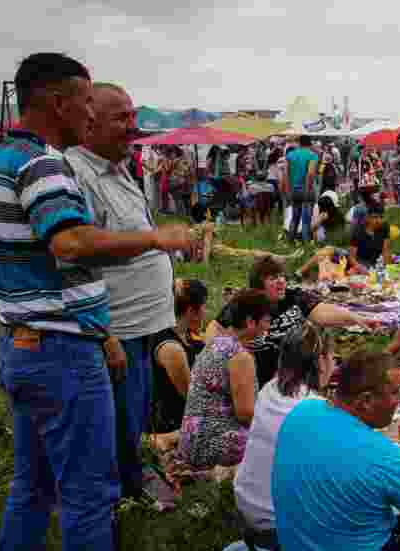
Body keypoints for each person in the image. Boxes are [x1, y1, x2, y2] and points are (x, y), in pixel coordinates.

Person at [0, 52, 189, 551]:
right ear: (59, 103)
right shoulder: (45, 165)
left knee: (33, 484)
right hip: (62, 353)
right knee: (89, 492)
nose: (90, 115)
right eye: (87, 102)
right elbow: (70, 241)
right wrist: (155, 237)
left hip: (23, 344)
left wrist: (8, 304)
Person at [67, 82, 182, 500]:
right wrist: (104, 332)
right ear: (88, 122)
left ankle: (131, 475)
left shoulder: (119, 169)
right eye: (121, 118)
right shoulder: (76, 174)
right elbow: (73, 258)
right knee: (116, 415)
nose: (132, 127)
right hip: (116, 326)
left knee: (135, 410)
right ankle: (115, 494)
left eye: (133, 116)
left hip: (141, 323)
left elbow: (133, 236)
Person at [273, 351, 400, 551]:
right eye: (394, 392)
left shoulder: (302, 411)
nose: (399, 400)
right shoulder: (382, 455)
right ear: (365, 401)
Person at [235, 322, 335, 540]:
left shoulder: (269, 389)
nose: (334, 365)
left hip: (246, 500)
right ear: (320, 362)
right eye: (332, 358)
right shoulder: (317, 410)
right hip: (277, 519)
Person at [207, 256, 376, 383]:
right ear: (258, 285)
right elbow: (214, 329)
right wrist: (227, 355)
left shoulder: (293, 296)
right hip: (259, 380)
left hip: (294, 375)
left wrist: (355, 318)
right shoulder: (245, 304)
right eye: (273, 278)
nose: (281, 281)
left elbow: (322, 312)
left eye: (282, 276)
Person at [173, 290, 271, 473]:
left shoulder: (216, 342)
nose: (268, 326)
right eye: (266, 320)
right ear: (251, 322)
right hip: (216, 446)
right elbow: (246, 414)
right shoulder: (240, 357)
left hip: (192, 441)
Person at [148, 279, 207, 453]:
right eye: (204, 306)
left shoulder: (186, 335)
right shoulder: (171, 348)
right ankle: (171, 438)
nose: (205, 311)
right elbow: (193, 397)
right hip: (170, 420)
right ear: (191, 311)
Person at [285, 134, 319, 242]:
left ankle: (290, 240)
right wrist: (308, 189)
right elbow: (310, 173)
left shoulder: (290, 155)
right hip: (306, 190)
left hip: (294, 190)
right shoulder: (313, 155)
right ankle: (306, 245)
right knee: (306, 220)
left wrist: (288, 191)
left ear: (299, 143)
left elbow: (286, 174)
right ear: (310, 143)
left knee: (294, 218)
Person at [350, 204, 393, 269]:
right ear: (367, 217)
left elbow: (386, 250)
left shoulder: (384, 227)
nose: (378, 220)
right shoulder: (357, 231)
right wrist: (359, 268)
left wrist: (387, 268)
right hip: (362, 262)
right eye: (375, 217)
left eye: (381, 217)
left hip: (377, 261)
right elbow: (352, 257)